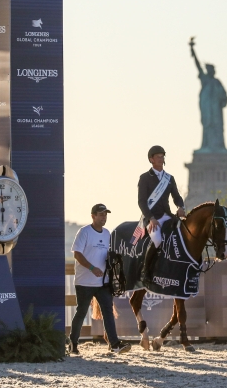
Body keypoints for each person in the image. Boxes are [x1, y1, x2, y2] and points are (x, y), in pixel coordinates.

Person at [69, 203, 130, 355]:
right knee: (81, 312)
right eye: (101, 214)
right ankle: (73, 343)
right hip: (84, 282)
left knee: (108, 312)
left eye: (105, 215)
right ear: (93, 216)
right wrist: (91, 268)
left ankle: (114, 343)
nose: (104, 217)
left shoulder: (107, 234)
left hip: (103, 282)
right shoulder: (84, 232)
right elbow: (77, 254)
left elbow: (107, 255)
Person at [138, 145, 185, 284]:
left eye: (162, 156)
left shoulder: (169, 178)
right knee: (157, 240)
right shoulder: (145, 178)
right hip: (152, 217)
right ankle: (146, 272)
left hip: (167, 215)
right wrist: (150, 218)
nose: (161, 158)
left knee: (184, 235)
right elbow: (141, 202)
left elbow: (177, 197)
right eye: (158, 156)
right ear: (151, 159)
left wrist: (180, 206)